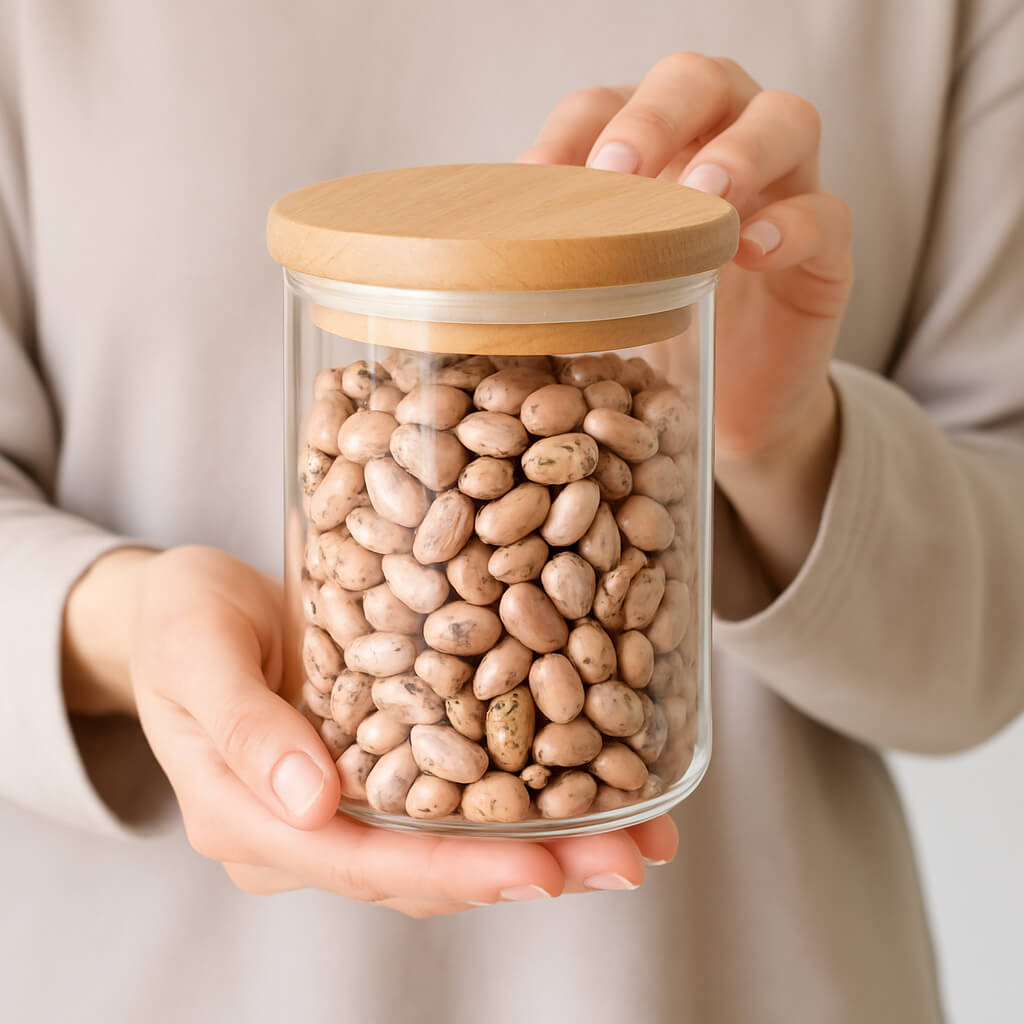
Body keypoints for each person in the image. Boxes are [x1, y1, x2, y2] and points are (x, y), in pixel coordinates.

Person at [1, 1, 1022, 1021]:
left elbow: (995, 639)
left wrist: (778, 437)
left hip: (742, 980)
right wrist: (124, 626)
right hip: (158, 980)